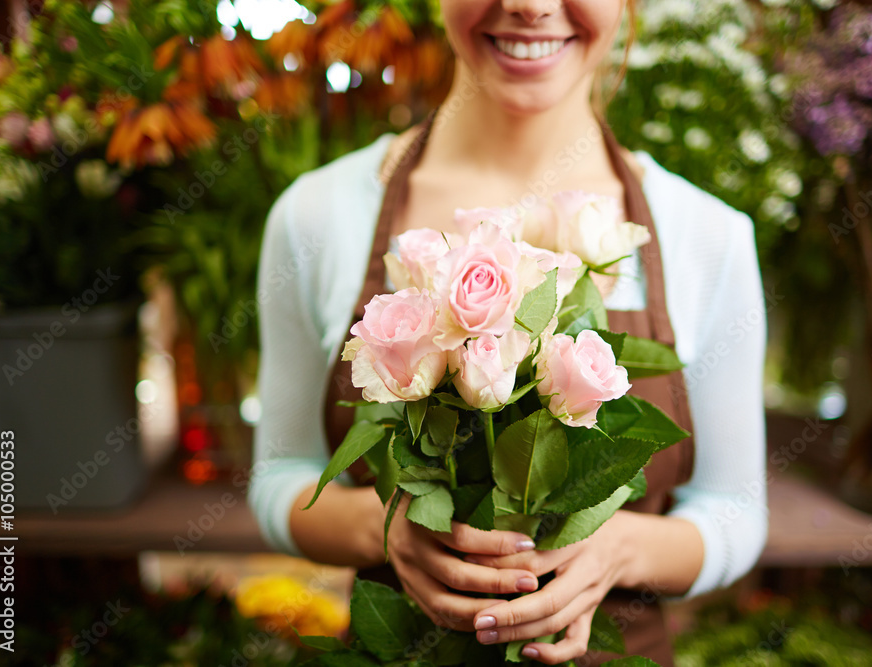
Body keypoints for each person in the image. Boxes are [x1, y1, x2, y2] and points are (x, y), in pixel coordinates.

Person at [249, 1, 768, 664]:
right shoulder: (316, 217)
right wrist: (386, 532)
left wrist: (618, 547)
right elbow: (280, 476)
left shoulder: (708, 236)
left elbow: (733, 510)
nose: (529, 5)